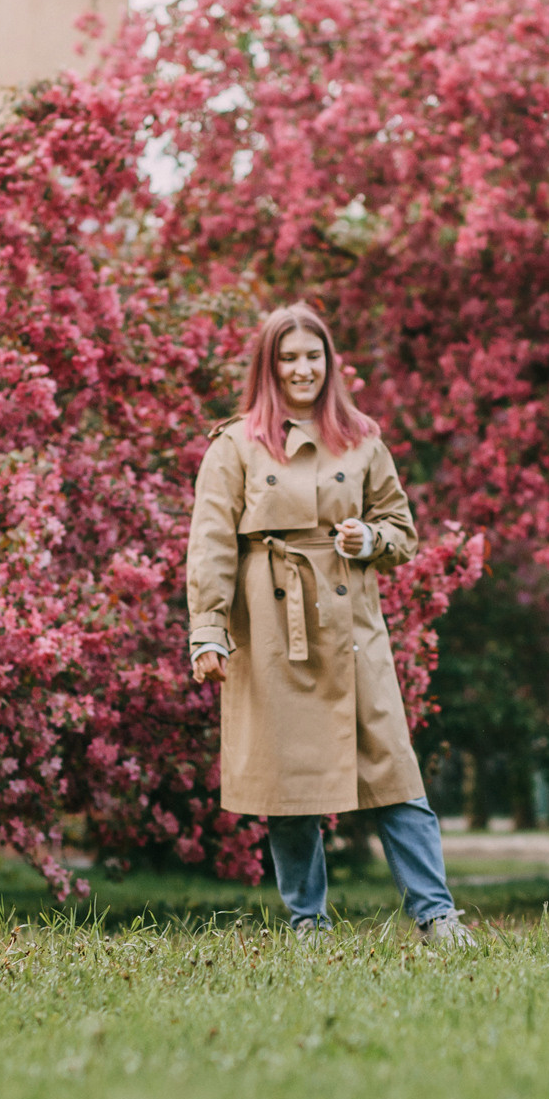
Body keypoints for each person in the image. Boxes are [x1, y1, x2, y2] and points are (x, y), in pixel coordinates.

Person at [186, 303, 474, 944]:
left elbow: (402, 531)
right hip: (270, 625)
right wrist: (209, 629)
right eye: (287, 357)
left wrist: (369, 536)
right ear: (269, 365)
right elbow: (210, 544)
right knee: (290, 786)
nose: (301, 368)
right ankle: (307, 922)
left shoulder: (363, 438)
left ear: (329, 362)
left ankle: (436, 915)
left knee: (395, 771)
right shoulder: (234, 445)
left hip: (351, 626)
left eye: (312, 355)